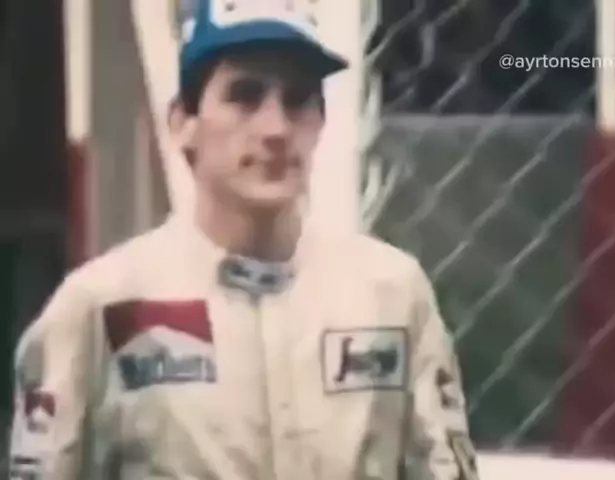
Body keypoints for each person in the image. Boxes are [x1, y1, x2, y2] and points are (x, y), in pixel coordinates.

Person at [8, 1, 479, 478]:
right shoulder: (101, 305)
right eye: (245, 96)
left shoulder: (390, 295)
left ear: (320, 122)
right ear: (183, 122)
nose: (276, 128)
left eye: (297, 99)